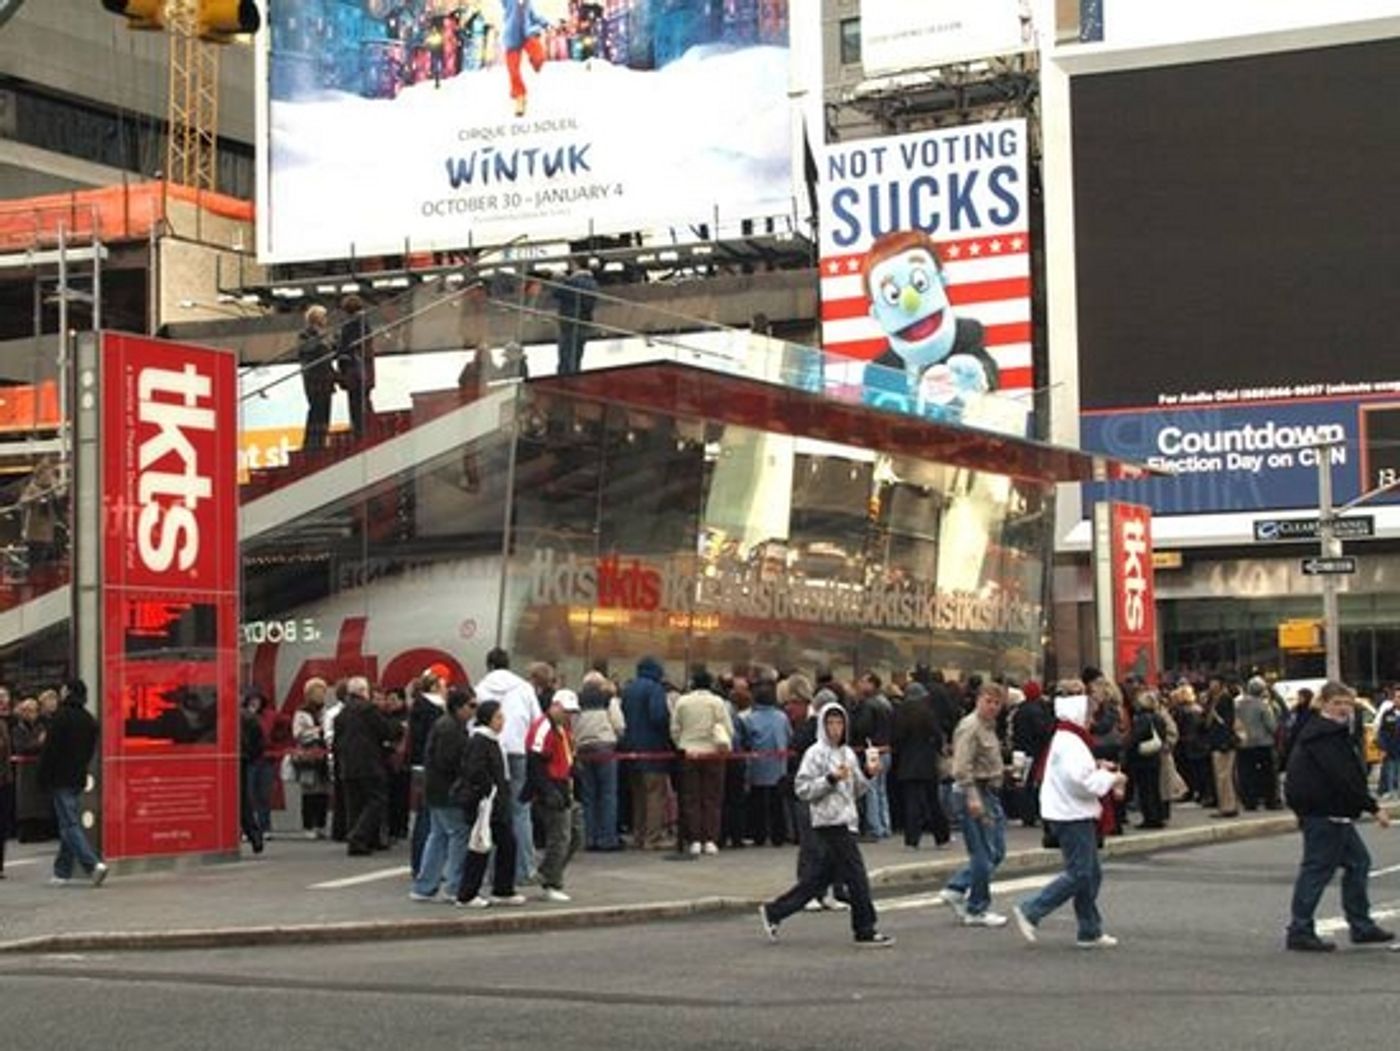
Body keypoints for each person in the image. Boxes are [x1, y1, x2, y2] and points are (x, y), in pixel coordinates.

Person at [758, 701, 894, 948]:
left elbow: (856, 790)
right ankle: (865, 928)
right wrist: (829, 779)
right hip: (828, 821)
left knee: (820, 879)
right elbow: (803, 788)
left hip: (846, 819)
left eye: (839, 722)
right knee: (856, 875)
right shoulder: (815, 753)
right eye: (830, 723)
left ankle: (775, 911)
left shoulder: (847, 754)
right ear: (822, 725)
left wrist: (869, 773)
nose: (835, 728)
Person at [1283, 680, 1395, 952]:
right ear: (1324, 703)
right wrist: (1372, 807)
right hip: (1326, 812)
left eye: (1347, 704)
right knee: (1318, 869)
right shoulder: (1325, 734)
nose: (1344, 709)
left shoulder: (1326, 731)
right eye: (1337, 703)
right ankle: (1300, 929)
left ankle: (1361, 925)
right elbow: (1343, 777)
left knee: (1358, 864)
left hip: (1331, 812)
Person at [1012, 681, 1126, 948]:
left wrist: (1099, 768)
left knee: (1089, 872)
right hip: (1071, 812)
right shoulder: (1072, 742)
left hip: (1069, 810)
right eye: (1088, 715)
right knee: (1081, 872)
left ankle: (1089, 929)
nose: (1091, 720)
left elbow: (1076, 775)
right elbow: (1081, 781)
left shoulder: (1067, 738)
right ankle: (1032, 909)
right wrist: (1111, 777)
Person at [941, 683, 1009, 927]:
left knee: (995, 850)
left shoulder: (988, 727)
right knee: (984, 852)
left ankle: (958, 887)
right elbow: (960, 766)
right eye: (988, 701)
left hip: (988, 790)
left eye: (997, 703)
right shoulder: (971, 727)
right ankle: (976, 907)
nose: (992, 707)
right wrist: (971, 795)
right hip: (975, 791)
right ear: (978, 700)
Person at [473, 647, 542, 885]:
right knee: (520, 811)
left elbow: (473, 723)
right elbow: (537, 720)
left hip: (490, 751)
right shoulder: (524, 688)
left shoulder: (480, 689)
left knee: (491, 811)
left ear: (489, 666)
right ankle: (524, 869)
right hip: (519, 751)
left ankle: (490, 871)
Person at [455, 700, 526, 908]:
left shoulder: (492, 740)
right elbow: (475, 770)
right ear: (488, 718)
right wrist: (491, 789)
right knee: (481, 846)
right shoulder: (480, 740)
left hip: (496, 802)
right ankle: (467, 894)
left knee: (506, 843)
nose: (502, 721)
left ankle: (502, 889)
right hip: (486, 803)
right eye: (498, 717)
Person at [36, 680, 108, 887]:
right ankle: (62, 871)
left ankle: (93, 865)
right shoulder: (89, 720)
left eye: (63, 690)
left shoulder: (61, 718)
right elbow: (89, 752)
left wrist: (42, 777)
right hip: (78, 777)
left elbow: (50, 751)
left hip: (60, 778)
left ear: (68, 692)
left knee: (69, 824)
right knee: (68, 823)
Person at [410, 687, 474, 902]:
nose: (473, 710)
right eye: (470, 706)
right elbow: (449, 762)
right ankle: (453, 886)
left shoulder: (446, 724)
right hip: (449, 791)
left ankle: (425, 885)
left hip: (436, 789)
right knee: (458, 834)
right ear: (459, 707)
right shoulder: (451, 729)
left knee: (437, 836)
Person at [525, 688, 584, 901]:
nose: (569, 715)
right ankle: (551, 882)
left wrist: (574, 767)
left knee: (575, 835)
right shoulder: (544, 727)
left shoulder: (562, 727)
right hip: (551, 787)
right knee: (560, 837)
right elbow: (535, 761)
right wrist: (547, 790)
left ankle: (548, 872)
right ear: (555, 706)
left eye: (572, 712)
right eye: (566, 711)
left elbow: (567, 754)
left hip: (564, 785)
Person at [671, 667, 734, 856]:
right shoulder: (717, 702)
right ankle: (710, 840)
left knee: (691, 797)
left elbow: (674, 728)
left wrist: (681, 744)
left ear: (692, 684)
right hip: (713, 754)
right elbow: (728, 729)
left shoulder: (683, 702)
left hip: (688, 752)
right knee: (712, 797)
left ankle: (694, 839)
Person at [335, 676, 399, 856]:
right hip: (369, 763)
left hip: (348, 764)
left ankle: (357, 841)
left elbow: (337, 740)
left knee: (354, 804)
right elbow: (385, 730)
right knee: (376, 800)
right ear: (364, 692)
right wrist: (397, 727)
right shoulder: (368, 709)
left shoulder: (342, 713)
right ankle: (359, 836)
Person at [620, 656, 673, 851]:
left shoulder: (629, 689)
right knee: (654, 794)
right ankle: (653, 838)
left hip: (631, 748)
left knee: (639, 795)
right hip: (653, 749)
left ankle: (638, 835)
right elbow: (658, 716)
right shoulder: (655, 689)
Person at [891, 680, 949, 849]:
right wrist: (938, 750)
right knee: (933, 801)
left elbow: (896, 738)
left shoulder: (900, 714)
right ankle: (941, 836)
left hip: (908, 762)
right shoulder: (927, 713)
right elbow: (937, 736)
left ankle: (912, 839)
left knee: (912, 802)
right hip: (927, 761)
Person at [573, 670, 625, 851]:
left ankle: (590, 837)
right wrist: (617, 739)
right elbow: (619, 725)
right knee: (608, 794)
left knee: (589, 795)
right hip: (605, 749)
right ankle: (607, 838)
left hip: (583, 750)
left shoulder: (576, 701)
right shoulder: (608, 700)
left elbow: (571, 726)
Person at [408, 668, 449, 878]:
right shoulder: (435, 709)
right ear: (435, 687)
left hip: (419, 766)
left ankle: (422, 864)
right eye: (443, 685)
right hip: (430, 768)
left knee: (426, 816)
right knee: (430, 816)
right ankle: (427, 865)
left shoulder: (417, 706)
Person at [744, 679, 791, 847]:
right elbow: (789, 736)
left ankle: (759, 835)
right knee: (777, 803)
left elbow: (747, 741)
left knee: (758, 802)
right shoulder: (782, 717)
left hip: (758, 765)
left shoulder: (750, 719)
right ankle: (779, 835)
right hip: (778, 765)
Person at [850, 673, 893, 839]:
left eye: (863, 681)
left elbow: (862, 728)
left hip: (872, 751)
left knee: (871, 789)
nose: (859, 684)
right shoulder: (886, 703)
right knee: (882, 790)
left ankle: (874, 828)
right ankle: (885, 825)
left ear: (871, 684)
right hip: (885, 749)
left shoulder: (868, 705)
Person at [290, 678, 331, 838]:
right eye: (317, 691)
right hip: (308, 754)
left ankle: (321, 824)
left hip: (323, 753)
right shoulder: (301, 712)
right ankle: (308, 825)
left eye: (323, 691)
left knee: (323, 791)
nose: (321, 695)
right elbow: (297, 733)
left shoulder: (326, 711)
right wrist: (316, 731)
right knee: (309, 792)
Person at [1236, 676, 1281, 811]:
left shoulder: (1238, 705)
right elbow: (1271, 725)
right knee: (1267, 774)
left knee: (1247, 774)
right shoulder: (1263, 705)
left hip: (1244, 743)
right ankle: (1270, 801)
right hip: (1263, 743)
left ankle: (1250, 801)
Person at [336, 294, 374, 440]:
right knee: (365, 401)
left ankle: (359, 433)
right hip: (365, 370)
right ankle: (369, 429)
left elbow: (343, 349)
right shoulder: (366, 323)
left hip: (353, 372)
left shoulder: (349, 325)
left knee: (355, 405)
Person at [501, 0, 548, 117]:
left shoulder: (528, 3)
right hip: (512, 37)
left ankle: (536, 62)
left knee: (539, 55)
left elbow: (534, 16)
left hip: (527, 35)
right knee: (513, 71)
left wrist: (545, 23)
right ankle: (520, 98)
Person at [298, 304, 335, 453]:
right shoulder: (305, 335)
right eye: (324, 316)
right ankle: (312, 444)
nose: (326, 319)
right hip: (314, 379)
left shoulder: (325, 335)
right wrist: (322, 341)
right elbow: (307, 349)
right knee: (316, 411)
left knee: (325, 411)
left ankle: (321, 441)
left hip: (325, 379)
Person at [553, 257, 599, 375]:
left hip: (570, 322)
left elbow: (557, 293)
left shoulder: (573, 282)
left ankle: (565, 381)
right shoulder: (592, 283)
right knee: (577, 355)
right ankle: (574, 377)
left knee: (566, 356)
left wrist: (559, 279)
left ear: (575, 265)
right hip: (584, 322)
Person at [1204, 677, 1241, 818]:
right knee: (1221, 776)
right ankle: (1225, 805)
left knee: (1224, 776)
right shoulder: (1213, 699)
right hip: (1217, 742)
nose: (1211, 685)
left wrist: (1224, 741)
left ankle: (1228, 806)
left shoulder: (1225, 699)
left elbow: (1228, 721)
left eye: (1214, 683)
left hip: (1223, 743)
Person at [238, 694, 267, 854]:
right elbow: (259, 740)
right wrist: (251, 756)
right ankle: (254, 835)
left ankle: (251, 834)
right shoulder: (248, 717)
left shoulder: (216, 715)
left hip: (224, 760)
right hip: (241, 759)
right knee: (242, 800)